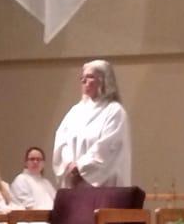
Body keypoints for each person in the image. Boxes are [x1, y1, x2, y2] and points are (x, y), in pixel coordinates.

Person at [52, 59, 131, 188]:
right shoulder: (75, 111)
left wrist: (81, 167)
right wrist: (69, 164)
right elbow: (62, 140)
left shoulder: (114, 111)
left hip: (102, 182)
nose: (83, 81)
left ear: (104, 80)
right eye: (82, 77)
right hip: (73, 180)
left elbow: (107, 146)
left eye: (89, 77)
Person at [10, 146, 56, 224]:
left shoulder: (46, 182)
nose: (35, 162)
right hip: (28, 222)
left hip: (47, 220)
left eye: (39, 159)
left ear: (43, 163)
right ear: (26, 162)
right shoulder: (21, 179)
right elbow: (29, 208)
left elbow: (56, 203)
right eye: (32, 159)